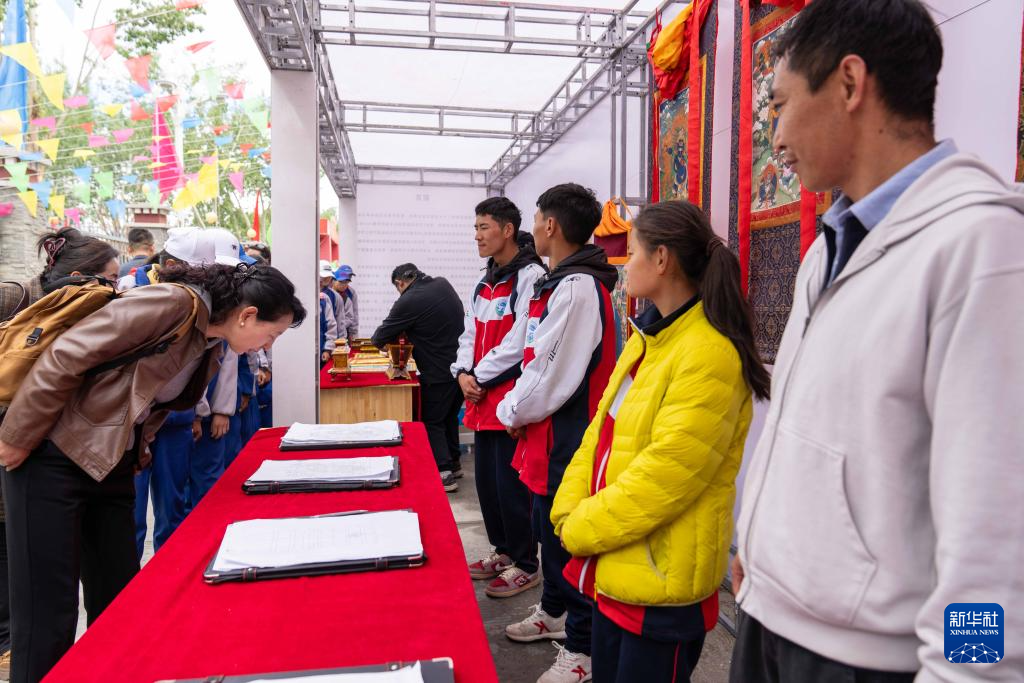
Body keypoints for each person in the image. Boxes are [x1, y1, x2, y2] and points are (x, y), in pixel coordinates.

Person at [730, 1, 1024, 681]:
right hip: (771, 618)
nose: (775, 137)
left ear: (849, 83)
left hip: (863, 660)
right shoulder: (828, 250)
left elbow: (995, 528)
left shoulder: (980, 248)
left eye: (779, 106)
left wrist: (970, 671)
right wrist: (761, 543)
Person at [0, 260, 304, 683]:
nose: (265, 345)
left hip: (109, 461)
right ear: (247, 315)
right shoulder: (172, 304)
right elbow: (66, 355)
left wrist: (137, 450)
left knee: (118, 598)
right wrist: (17, 435)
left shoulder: (209, 340)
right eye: (271, 334)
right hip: (52, 454)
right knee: (47, 607)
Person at [551, 200, 769, 682]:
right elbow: (598, 435)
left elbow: (664, 477)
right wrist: (567, 507)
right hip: (617, 565)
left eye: (631, 252)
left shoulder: (709, 353)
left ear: (662, 259)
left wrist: (580, 525)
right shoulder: (647, 339)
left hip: (660, 583)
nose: (624, 265)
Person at [498, 184, 618, 683]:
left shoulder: (577, 288)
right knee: (548, 531)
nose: (534, 228)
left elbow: (551, 375)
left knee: (568, 539)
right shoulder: (562, 282)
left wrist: (511, 410)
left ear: (550, 225)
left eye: (536, 219)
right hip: (546, 433)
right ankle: (554, 611)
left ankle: (583, 648)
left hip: (566, 436)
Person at [0, 228, 119, 680]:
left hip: (36, 441)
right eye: (110, 279)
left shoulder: (88, 311)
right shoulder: (16, 296)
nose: (116, 289)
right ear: (79, 276)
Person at [452, 197, 546, 594]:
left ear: (507, 230)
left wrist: (478, 375)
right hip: (480, 400)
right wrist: (461, 373)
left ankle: (526, 563)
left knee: (512, 489)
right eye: (475, 228)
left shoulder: (531, 277)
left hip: (508, 401)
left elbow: (520, 342)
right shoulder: (484, 282)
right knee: (488, 486)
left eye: (483, 227)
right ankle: (503, 551)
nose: (477, 236)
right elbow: (469, 334)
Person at [371, 263, 465, 491]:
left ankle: (443, 472)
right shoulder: (442, 284)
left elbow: (379, 338)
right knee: (449, 417)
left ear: (400, 283)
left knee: (432, 421)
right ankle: (454, 463)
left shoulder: (409, 299)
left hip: (437, 371)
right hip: (462, 367)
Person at [333, 264, 358, 339]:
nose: (344, 284)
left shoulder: (351, 293)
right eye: (341, 282)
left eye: (350, 276)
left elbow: (353, 315)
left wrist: (353, 334)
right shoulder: (328, 293)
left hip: (343, 331)